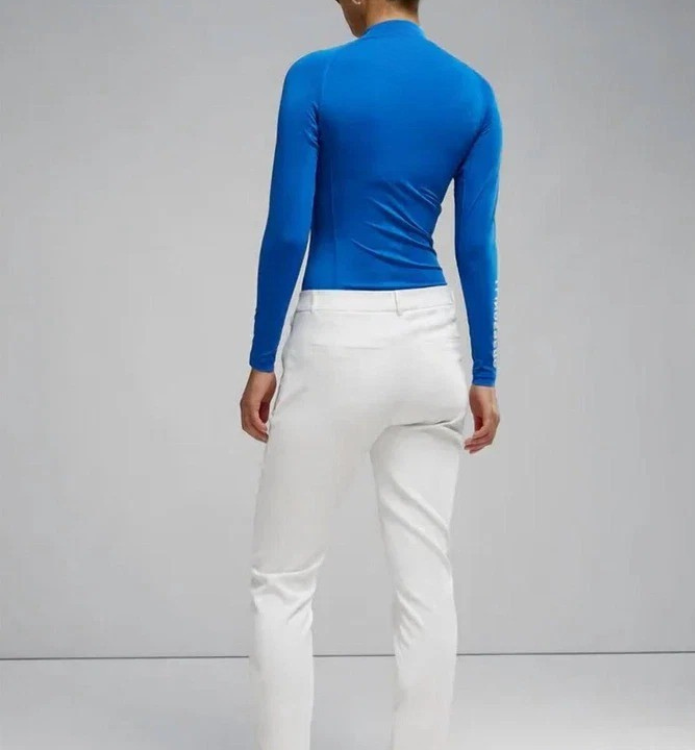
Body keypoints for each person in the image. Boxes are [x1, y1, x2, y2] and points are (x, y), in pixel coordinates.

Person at [239, 1, 502, 748]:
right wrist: (483, 369)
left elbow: (287, 230)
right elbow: (475, 243)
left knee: (283, 580)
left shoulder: (317, 76)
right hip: (431, 343)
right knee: (426, 577)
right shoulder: (473, 91)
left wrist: (262, 357)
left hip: (337, 338)